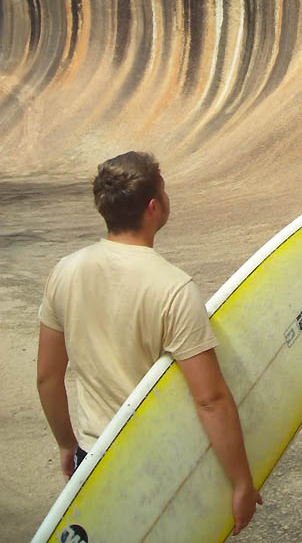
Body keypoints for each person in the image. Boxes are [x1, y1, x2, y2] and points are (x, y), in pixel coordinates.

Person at [36, 151, 262, 536]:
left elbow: (47, 377)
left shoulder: (65, 272)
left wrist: (66, 445)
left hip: (95, 460)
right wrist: (241, 481)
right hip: (163, 465)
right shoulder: (173, 288)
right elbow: (210, 398)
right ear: (154, 206)